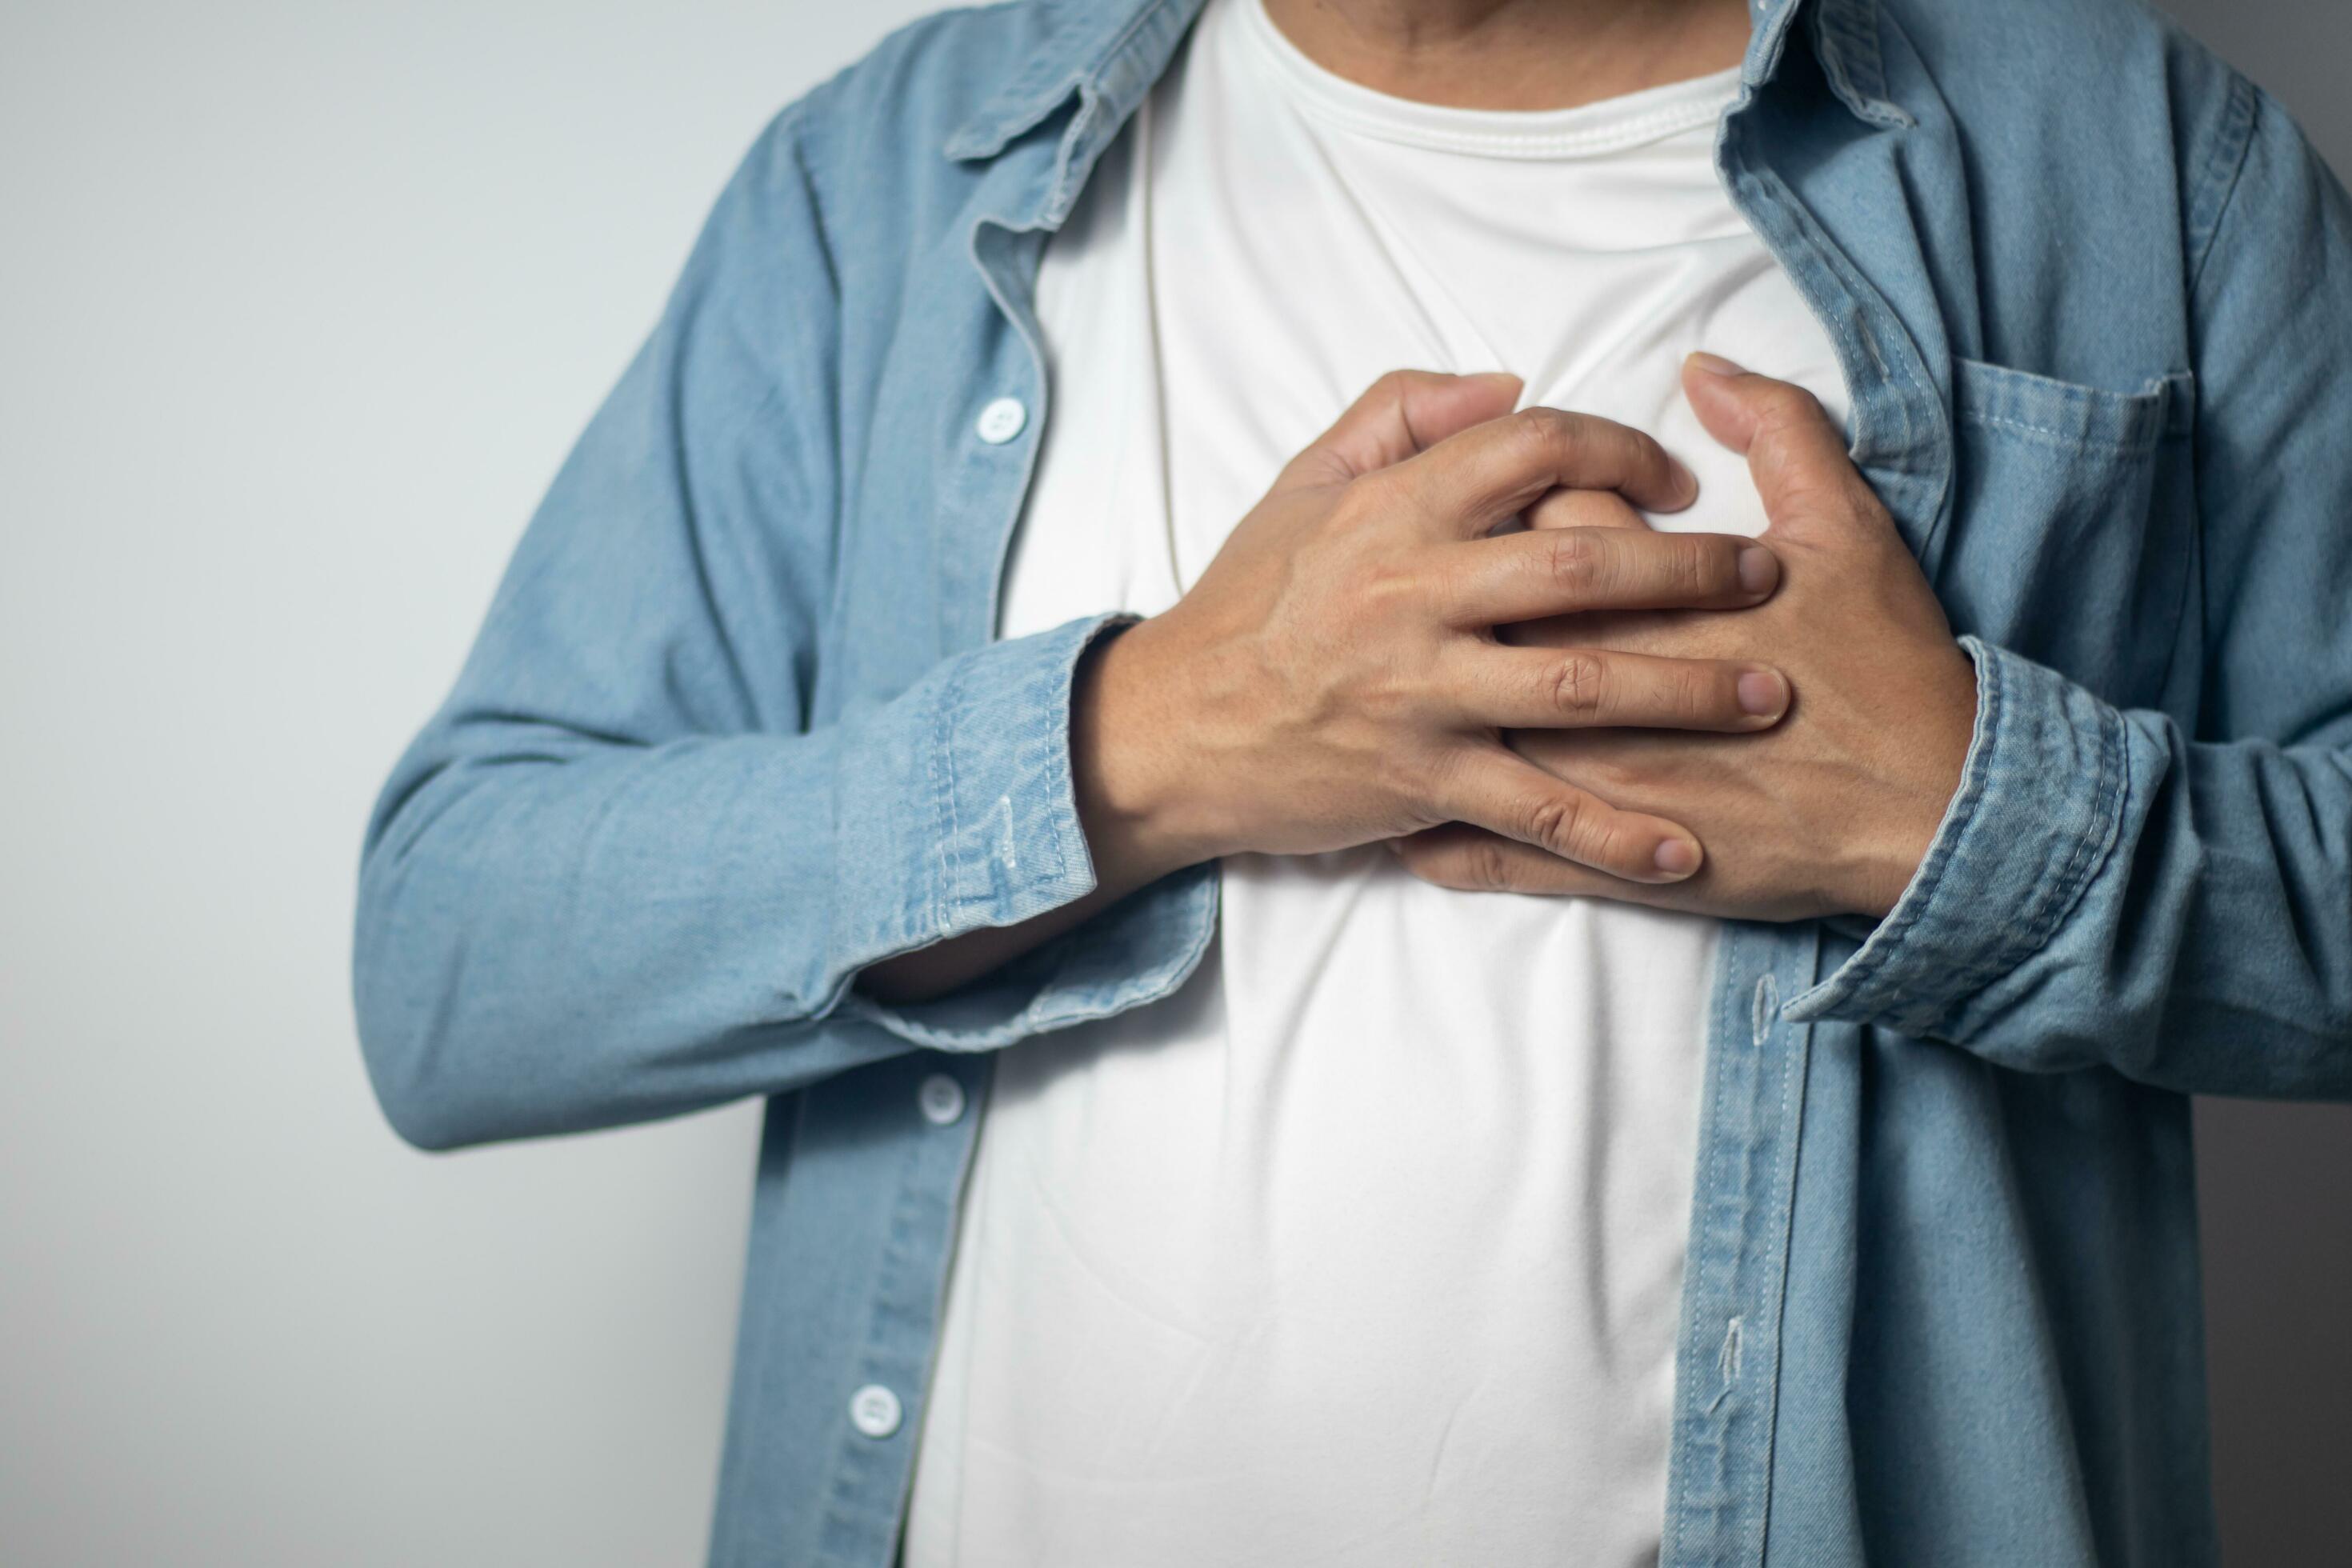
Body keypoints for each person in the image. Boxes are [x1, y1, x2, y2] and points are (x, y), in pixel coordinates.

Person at [350, 0, 2352, 1561]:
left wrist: (1964, 817)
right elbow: (457, 961)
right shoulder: (877, 180)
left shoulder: (2144, 166)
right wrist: (1147, 744)